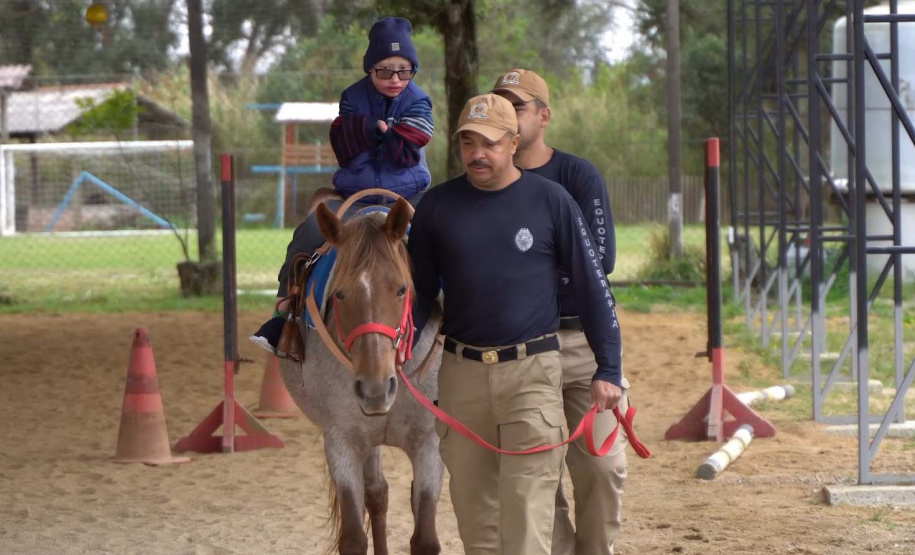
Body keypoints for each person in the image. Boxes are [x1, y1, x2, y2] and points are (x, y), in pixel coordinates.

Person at [408, 93, 623, 555]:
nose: (477, 154)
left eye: (488, 143)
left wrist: (608, 368)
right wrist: (398, 341)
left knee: (527, 518)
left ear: (512, 142)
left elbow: (592, 287)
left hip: (532, 373)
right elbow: (421, 291)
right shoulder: (436, 207)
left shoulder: (552, 200)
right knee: (477, 521)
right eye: (468, 142)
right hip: (460, 374)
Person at [492, 68, 628, 555]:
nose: (507, 113)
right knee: (534, 477)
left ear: (544, 116)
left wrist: (521, 275)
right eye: (498, 104)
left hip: (578, 342)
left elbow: (600, 260)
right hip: (516, 349)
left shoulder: (575, 175)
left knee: (601, 466)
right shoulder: (483, 181)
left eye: (518, 105)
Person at [251, 16, 434, 353]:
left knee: (440, 234)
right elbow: (344, 144)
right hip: (356, 195)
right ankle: (284, 314)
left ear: (412, 70)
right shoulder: (351, 96)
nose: (395, 79)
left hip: (408, 194)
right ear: (370, 69)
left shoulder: (419, 100)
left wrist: (372, 130)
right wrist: (377, 130)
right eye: (385, 70)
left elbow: (408, 150)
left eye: (404, 71)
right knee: (308, 232)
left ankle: (457, 314)